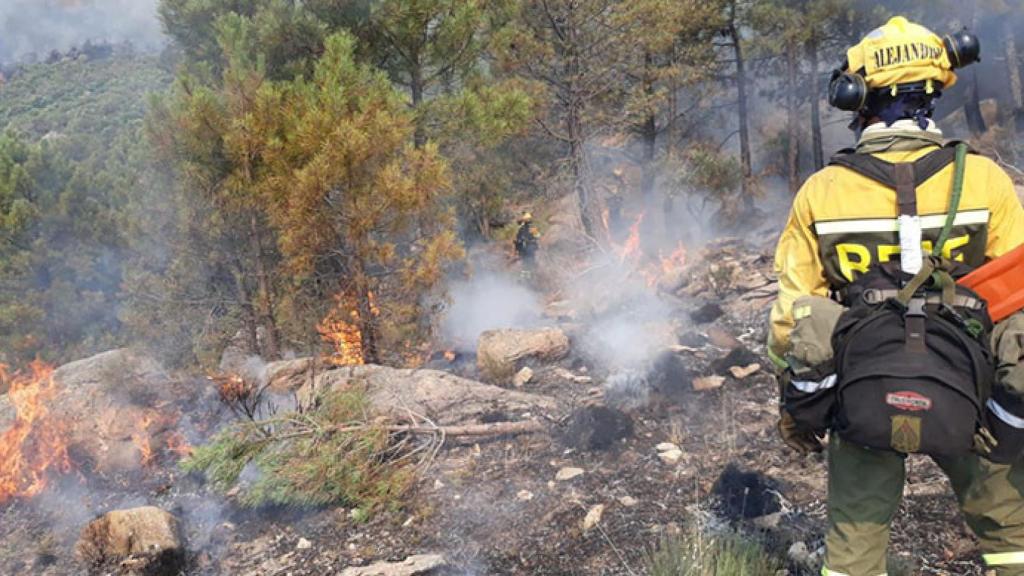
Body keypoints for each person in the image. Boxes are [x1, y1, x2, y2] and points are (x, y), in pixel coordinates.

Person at [768, 16, 1024, 576]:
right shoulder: (985, 181)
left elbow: (792, 317)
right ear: (935, 92)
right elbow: (1017, 296)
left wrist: (797, 408)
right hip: (969, 384)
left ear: (857, 97)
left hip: (866, 386)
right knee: (1011, 534)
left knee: (854, 546)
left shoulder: (823, 191)